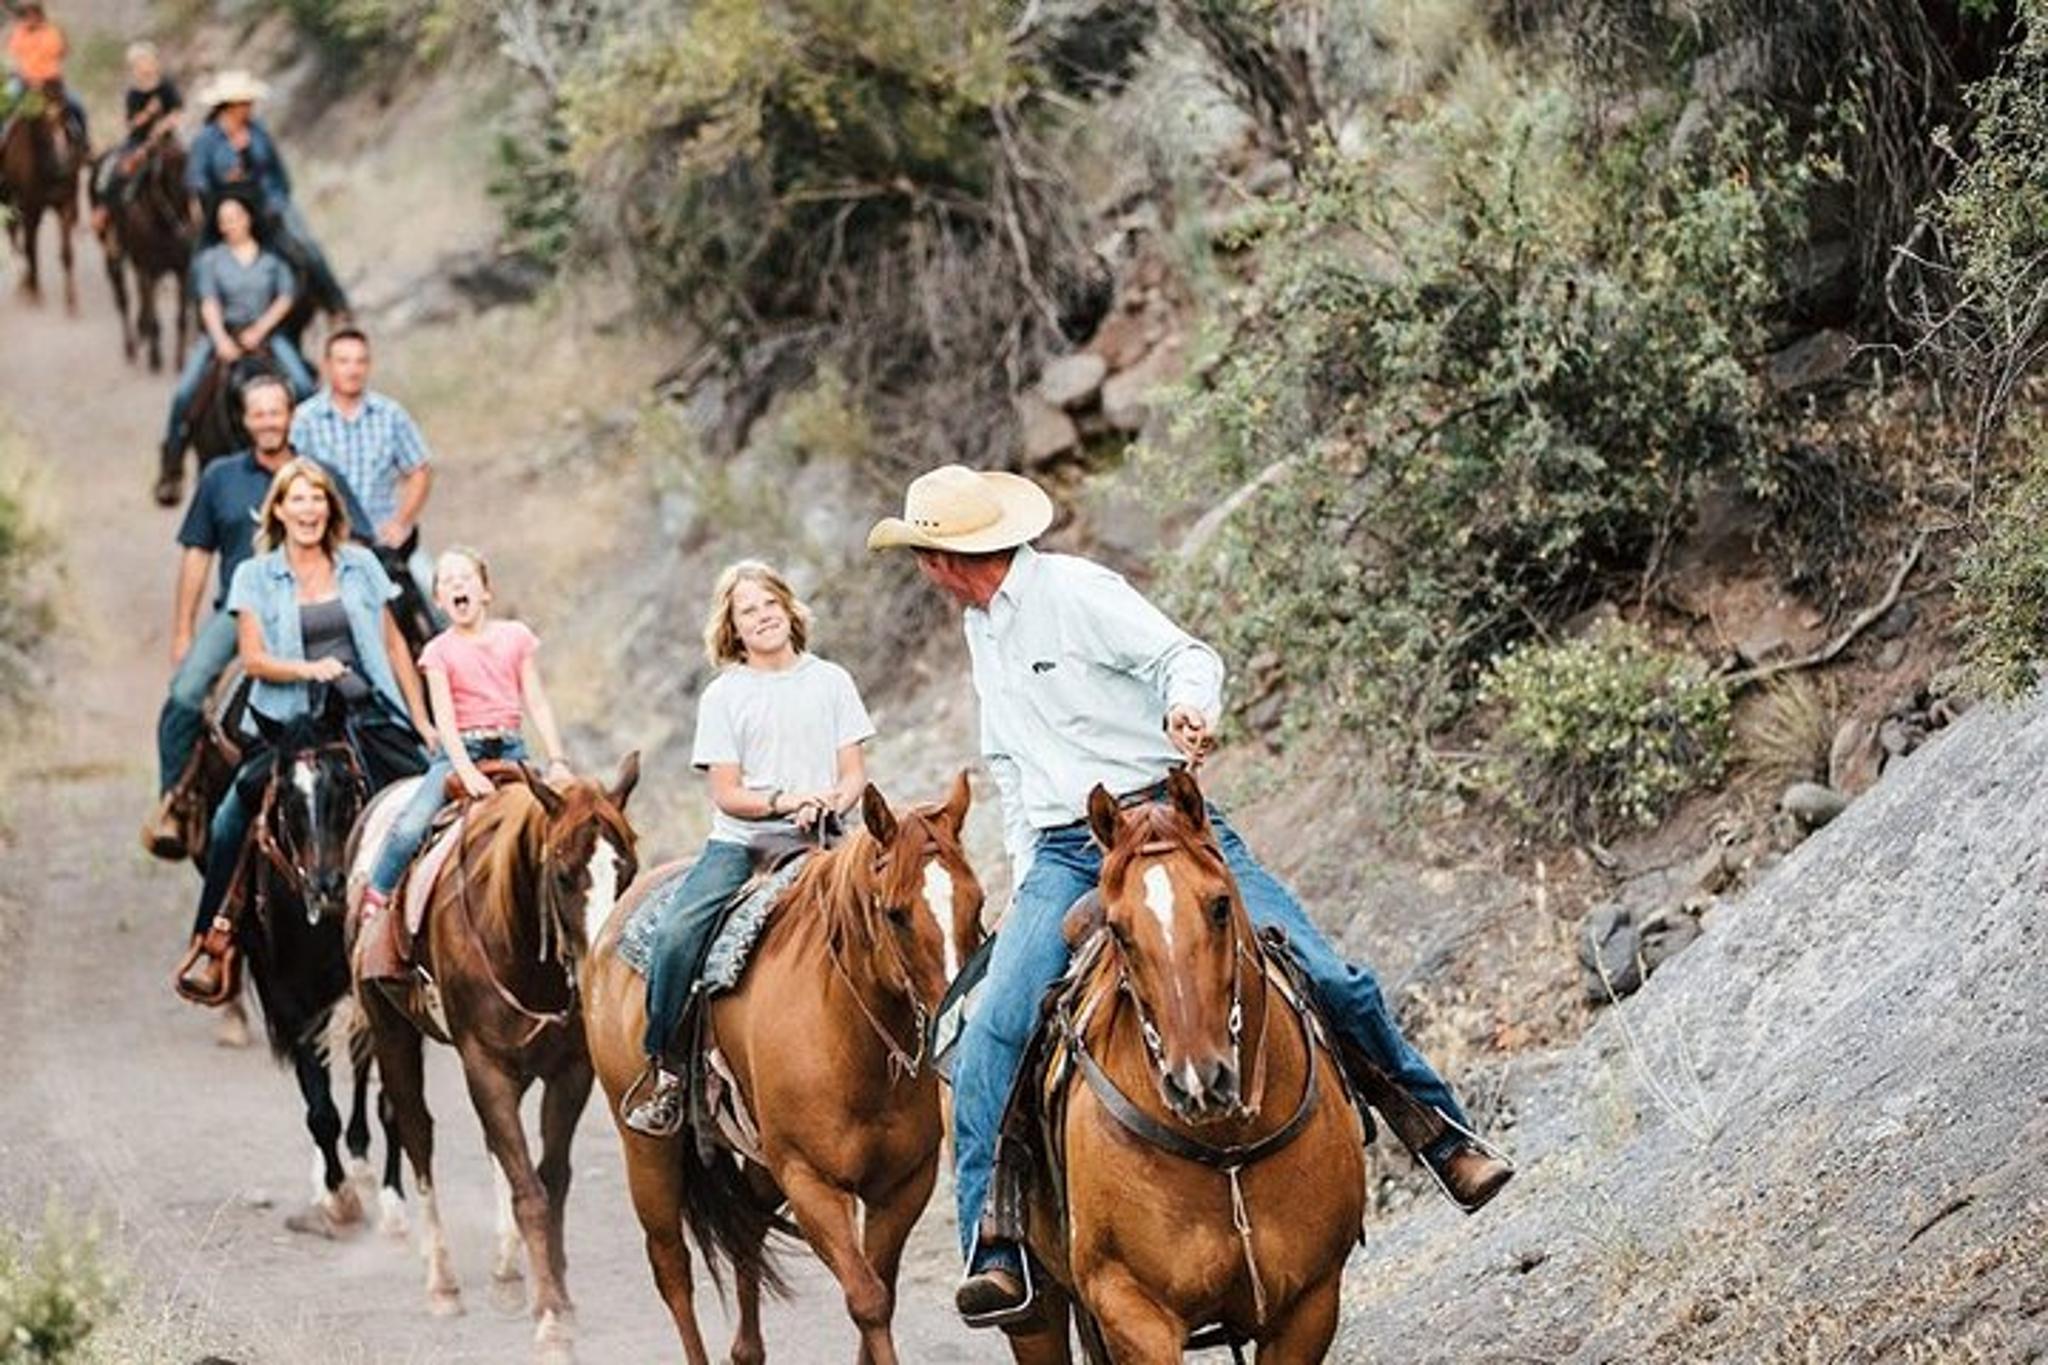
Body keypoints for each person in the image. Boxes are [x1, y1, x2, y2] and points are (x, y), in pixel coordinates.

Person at [866, 465, 1515, 1325]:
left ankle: (1438, 1131)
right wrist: (1031, 876)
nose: (922, 569)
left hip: (1170, 822)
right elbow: (1013, 766)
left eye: (924, 553)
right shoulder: (981, 630)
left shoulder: (1075, 592)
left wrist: (1188, 708)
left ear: (953, 556)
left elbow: (1184, 654)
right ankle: (998, 1237)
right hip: (1069, 848)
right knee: (991, 1026)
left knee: (1325, 972)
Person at [621, 561, 876, 1137]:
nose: (761, 618)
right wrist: (789, 801)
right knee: (678, 933)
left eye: (768, 605)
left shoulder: (830, 680)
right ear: (732, 628)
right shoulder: (725, 695)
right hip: (745, 844)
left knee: (901, 915)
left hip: (828, 836)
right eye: (747, 611)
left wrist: (833, 799)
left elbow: (854, 771)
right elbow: (728, 793)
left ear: (789, 609)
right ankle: (666, 1071)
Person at [175, 457, 432, 1003]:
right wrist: (309, 670)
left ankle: (428, 939)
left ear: (330, 508)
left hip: (363, 711)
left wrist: (422, 720)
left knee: (427, 797)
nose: (309, 508)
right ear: (280, 510)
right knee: (230, 817)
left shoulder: (360, 565)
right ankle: (215, 939)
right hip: (290, 724)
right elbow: (252, 658)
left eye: (318, 498)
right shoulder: (255, 574)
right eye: (298, 499)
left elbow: (392, 646)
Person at [144, 374, 375, 859]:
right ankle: (175, 804)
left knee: (383, 690)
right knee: (185, 695)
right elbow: (196, 555)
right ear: (245, 420)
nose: (270, 422)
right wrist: (184, 629)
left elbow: (354, 540)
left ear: (292, 415)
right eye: (260, 413)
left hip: (316, 605)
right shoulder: (220, 478)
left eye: (278, 411)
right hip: (242, 607)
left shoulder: (319, 472)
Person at [356, 546, 573, 981]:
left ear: (486, 591)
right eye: (447, 581)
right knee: (411, 824)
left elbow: (536, 700)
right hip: (461, 752)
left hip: (512, 749)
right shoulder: (438, 651)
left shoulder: (514, 637)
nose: (457, 586)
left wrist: (557, 759)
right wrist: (465, 770)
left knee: (564, 823)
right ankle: (375, 905)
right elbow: (446, 721)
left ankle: (569, 924)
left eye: (466, 578)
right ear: (438, 600)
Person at [160, 193, 316, 470]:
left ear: (248, 219)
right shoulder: (211, 260)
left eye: (234, 218)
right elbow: (209, 302)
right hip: (223, 334)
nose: (229, 225)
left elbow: (285, 298)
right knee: (184, 393)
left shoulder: (272, 259)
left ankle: (316, 453)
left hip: (266, 333)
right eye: (224, 221)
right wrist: (220, 339)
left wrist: (260, 329)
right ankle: (172, 458)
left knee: (303, 385)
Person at [184, 68, 349, 318]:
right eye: (245, 103)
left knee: (305, 244)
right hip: (227, 209)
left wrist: (277, 199)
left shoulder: (258, 132)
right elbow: (198, 180)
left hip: (269, 203)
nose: (250, 107)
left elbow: (277, 171)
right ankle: (202, 314)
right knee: (200, 261)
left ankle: (336, 306)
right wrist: (221, 196)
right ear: (229, 106)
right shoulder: (207, 140)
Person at [290, 329, 435, 603]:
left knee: (436, 592)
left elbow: (420, 470)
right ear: (327, 365)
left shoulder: (390, 414)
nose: (352, 370)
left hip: (383, 535)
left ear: (369, 365)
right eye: (343, 361)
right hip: (324, 537)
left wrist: (401, 522)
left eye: (360, 361)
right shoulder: (305, 419)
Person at [93, 41, 182, 208]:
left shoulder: (166, 86)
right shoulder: (133, 94)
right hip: (139, 140)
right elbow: (132, 124)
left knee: (184, 164)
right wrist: (149, 113)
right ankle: (107, 207)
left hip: (166, 139)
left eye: (148, 61)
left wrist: (164, 125)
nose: (146, 66)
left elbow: (176, 112)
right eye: (140, 62)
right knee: (117, 167)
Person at [2, 2, 86, 151]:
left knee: (77, 105)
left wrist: (41, 79)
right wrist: (25, 76)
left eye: (33, 12)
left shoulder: (52, 32)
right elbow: (14, 59)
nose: (30, 17)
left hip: (50, 83)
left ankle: (83, 145)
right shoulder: (18, 33)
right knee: (3, 104)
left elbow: (57, 57)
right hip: (23, 82)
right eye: (26, 13)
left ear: (40, 14)